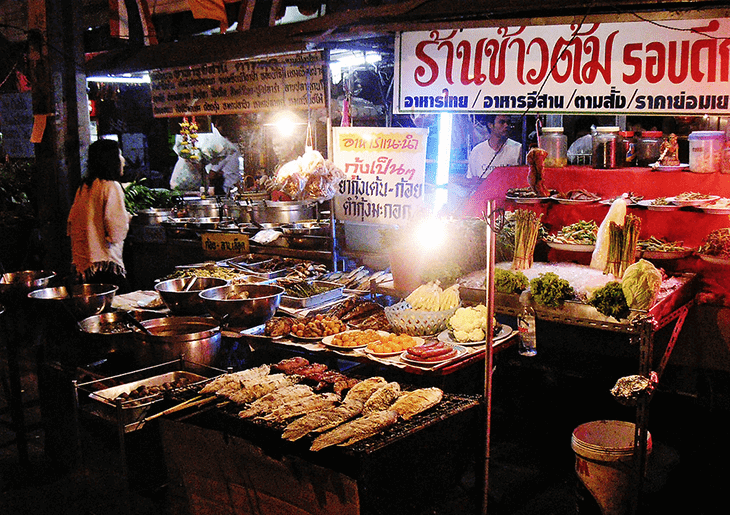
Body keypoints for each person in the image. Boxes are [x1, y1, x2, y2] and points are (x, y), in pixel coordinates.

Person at [67, 139, 133, 292]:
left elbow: (74, 223)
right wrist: (128, 219)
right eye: (119, 155)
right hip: (106, 265)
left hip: (86, 266)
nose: (123, 160)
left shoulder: (84, 187)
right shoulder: (111, 186)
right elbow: (116, 232)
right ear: (110, 160)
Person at [467, 114, 523, 179]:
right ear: (490, 125)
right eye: (502, 122)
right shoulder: (477, 150)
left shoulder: (518, 148)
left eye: (508, 123)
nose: (506, 125)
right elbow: (471, 179)